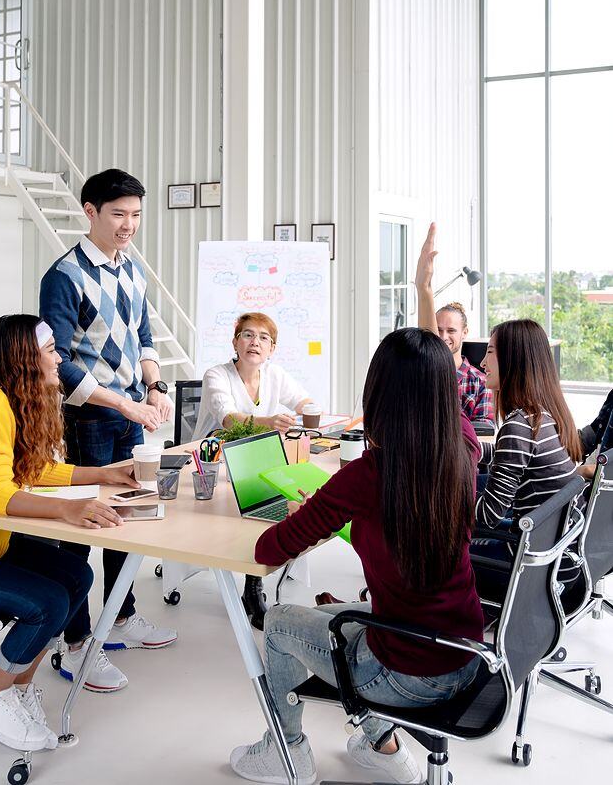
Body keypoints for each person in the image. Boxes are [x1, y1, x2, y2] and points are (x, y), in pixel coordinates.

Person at [230, 328, 484, 785]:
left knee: (282, 621)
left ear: (379, 393)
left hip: (408, 671)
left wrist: (313, 509)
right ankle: (382, 748)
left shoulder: (367, 477)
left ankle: (287, 754)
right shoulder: (463, 447)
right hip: (466, 655)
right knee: (331, 614)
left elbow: (271, 548)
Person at [0, 315, 139, 751]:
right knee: (51, 600)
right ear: (24, 357)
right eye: (52, 349)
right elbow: (1, 494)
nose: (60, 357)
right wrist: (68, 511)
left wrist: (105, 474)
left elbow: (32, 470)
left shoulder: (10, 400)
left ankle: (17, 687)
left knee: (77, 575)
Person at [39, 168, 176, 692]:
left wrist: (156, 387)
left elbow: (144, 334)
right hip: (91, 416)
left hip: (131, 413)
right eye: (118, 214)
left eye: (137, 215)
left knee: (128, 515)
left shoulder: (133, 270)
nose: (129, 225)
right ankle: (72, 641)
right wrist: (124, 404)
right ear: (90, 211)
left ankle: (120, 617)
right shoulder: (64, 275)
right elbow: (62, 362)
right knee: (82, 527)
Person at [414, 223, 582, 598]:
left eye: (490, 351)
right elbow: (512, 463)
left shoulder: (519, 425)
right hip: (560, 560)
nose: (483, 358)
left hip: (527, 569)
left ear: (513, 362)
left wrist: (441, 508)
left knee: (425, 546)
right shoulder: (543, 414)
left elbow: (488, 518)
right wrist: (479, 453)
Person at [194, 312, 313, 631]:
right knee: (267, 497)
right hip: (211, 462)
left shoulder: (275, 375)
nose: (254, 342)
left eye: (263, 337)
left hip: (257, 463)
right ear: (235, 342)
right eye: (247, 335)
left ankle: (253, 581)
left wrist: (311, 412)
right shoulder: (216, 374)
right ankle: (254, 586)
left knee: (283, 494)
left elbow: (304, 401)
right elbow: (227, 419)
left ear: (272, 348)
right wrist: (269, 421)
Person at [436, 300, 493, 424]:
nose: (443, 336)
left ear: (464, 332)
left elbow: (485, 430)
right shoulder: (419, 374)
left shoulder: (481, 382)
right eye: (438, 330)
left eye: (451, 331)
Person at [577, 388, 612, 479]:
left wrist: (578, 472)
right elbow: (594, 432)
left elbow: (604, 472)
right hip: (587, 473)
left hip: (599, 483)